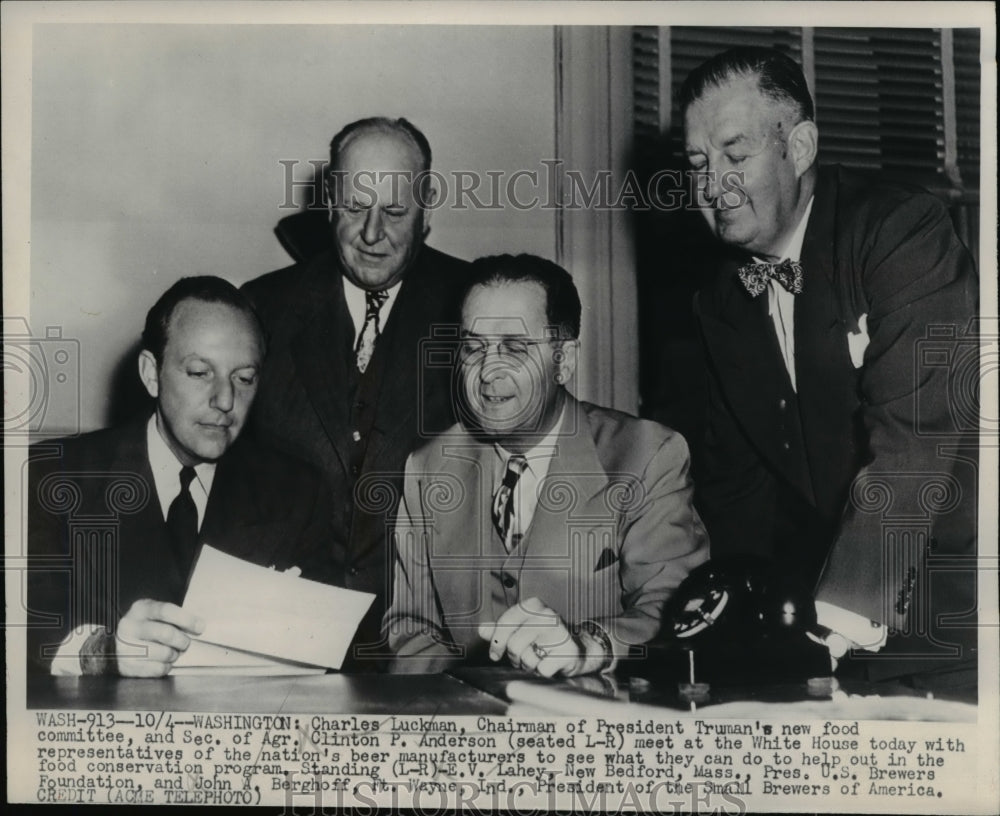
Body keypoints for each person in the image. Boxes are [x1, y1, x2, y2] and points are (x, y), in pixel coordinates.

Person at [682, 47, 979, 689]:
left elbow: (915, 441)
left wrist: (829, 629)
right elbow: (738, 491)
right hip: (828, 623)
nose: (713, 186)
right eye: (699, 164)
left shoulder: (902, 230)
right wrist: (737, 625)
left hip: (963, 618)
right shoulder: (719, 301)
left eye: (735, 156)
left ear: (802, 146)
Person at [384, 254, 709, 676]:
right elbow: (409, 630)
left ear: (564, 360)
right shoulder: (427, 469)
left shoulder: (647, 455)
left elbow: (677, 610)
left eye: (515, 348)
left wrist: (585, 647)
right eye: (473, 347)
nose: (487, 372)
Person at [242, 118, 468, 667]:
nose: (371, 234)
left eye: (394, 212)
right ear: (327, 202)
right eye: (352, 208)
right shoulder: (259, 308)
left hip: (429, 644)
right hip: (281, 641)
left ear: (427, 209)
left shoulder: (474, 309)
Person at [27, 277, 335, 677]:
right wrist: (103, 654)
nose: (225, 400)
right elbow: (23, 627)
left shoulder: (298, 491)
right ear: (151, 374)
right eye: (198, 372)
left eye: (244, 378)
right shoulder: (53, 475)